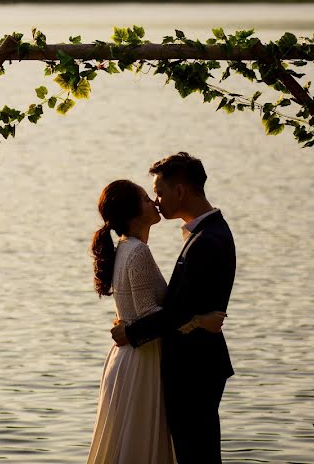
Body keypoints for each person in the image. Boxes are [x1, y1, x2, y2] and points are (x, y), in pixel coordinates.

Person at [87, 179, 225, 464]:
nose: (154, 202)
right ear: (133, 212)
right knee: (140, 446)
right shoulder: (137, 251)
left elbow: (138, 313)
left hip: (129, 356)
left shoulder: (126, 248)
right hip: (142, 360)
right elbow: (150, 316)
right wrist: (200, 321)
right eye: (145, 198)